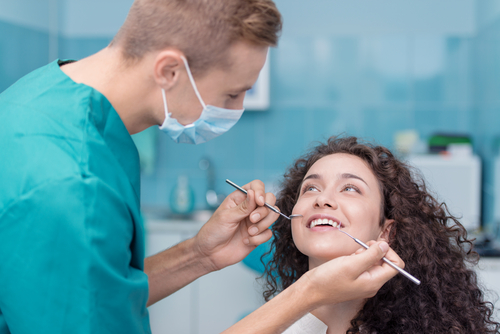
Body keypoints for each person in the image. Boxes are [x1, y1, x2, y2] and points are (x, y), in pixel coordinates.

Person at [0, 1, 403, 333]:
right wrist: (307, 293)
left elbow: (93, 287)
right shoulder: (72, 185)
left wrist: (200, 254)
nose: (237, 111)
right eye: (232, 93)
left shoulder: (49, 98)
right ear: (169, 71)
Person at [263, 136, 500, 333]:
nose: (322, 199)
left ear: (386, 231)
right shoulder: (267, 325)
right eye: (310, 188)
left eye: (350, 188)